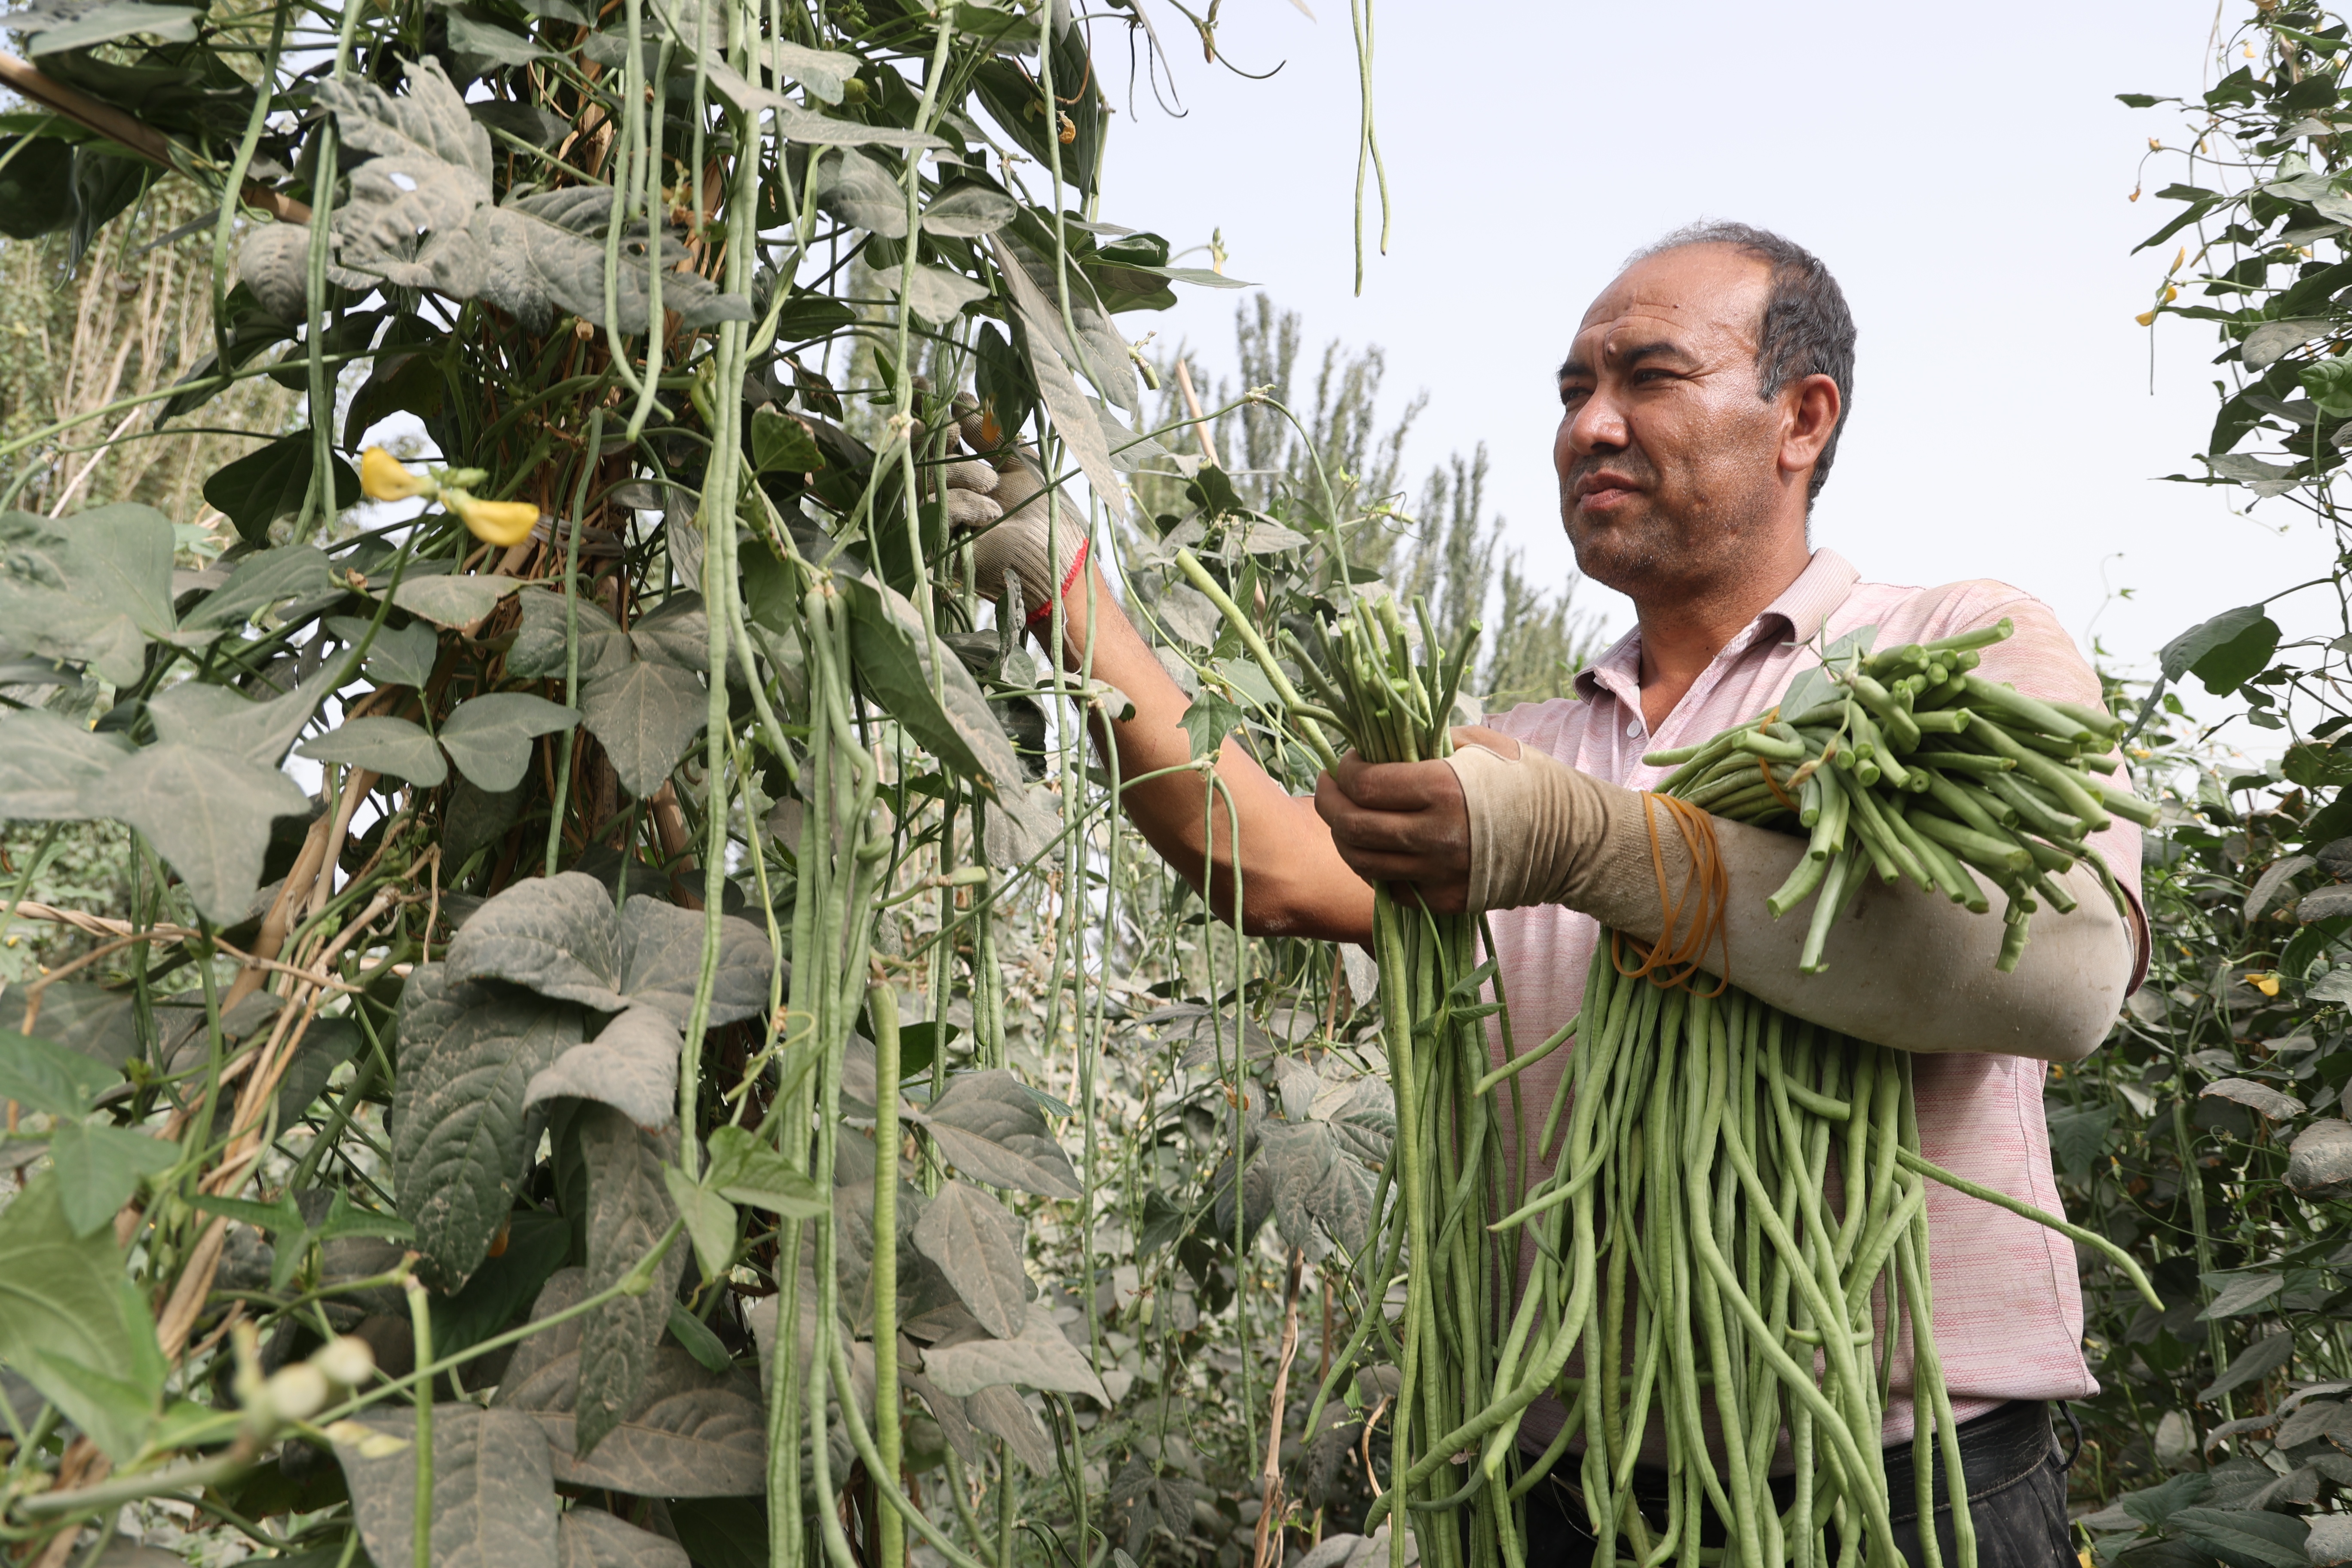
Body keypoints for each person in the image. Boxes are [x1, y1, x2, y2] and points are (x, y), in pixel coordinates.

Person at [937, 221, 2146, 1568]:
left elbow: (2063, 973)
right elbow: (1273, 865)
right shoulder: (1519, 755)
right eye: (1573, 392)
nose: (1591, 425)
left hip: (1905, 1501)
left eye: (1649, 376)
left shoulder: (1954, 647)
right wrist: (1069, 596)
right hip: (1570, 1499)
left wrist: (1593, 849)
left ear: (1803, 418)